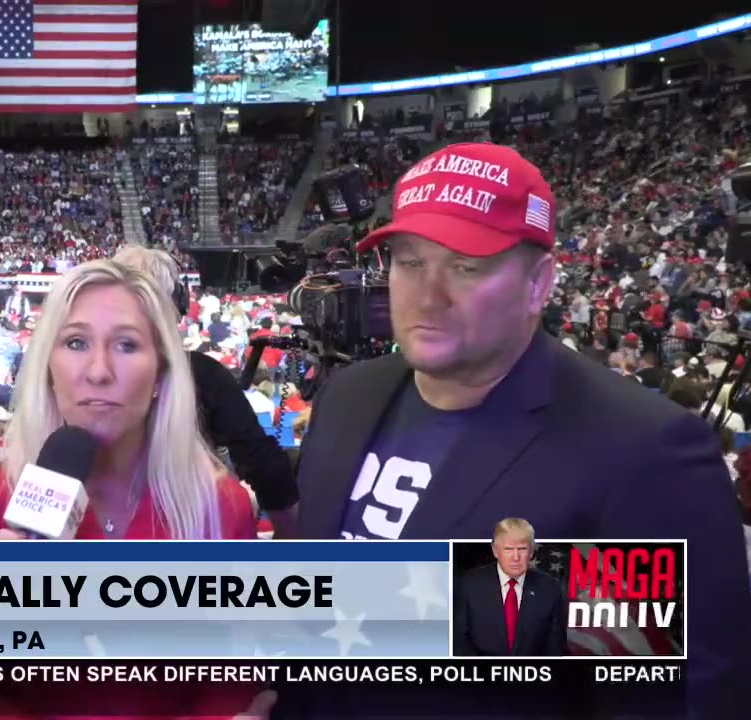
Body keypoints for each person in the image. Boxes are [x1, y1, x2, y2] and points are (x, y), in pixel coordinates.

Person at [286, 142, 751, 718]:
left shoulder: (643, 452)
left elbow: (681, 697)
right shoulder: (348, 395)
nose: (428, 295)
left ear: (539, 283)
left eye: (466, 266)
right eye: (410, 262)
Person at [0, 260, 272, 718]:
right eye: (76, 342)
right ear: (47, 369)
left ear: (161, 374)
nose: (98, 372)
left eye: (126, 345)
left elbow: (230, 673)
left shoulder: (220, 507)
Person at [113, 245, 298, 537]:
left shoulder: (83, 373)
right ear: (176, 303)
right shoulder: (202, 374)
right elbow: (263, 465)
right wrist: (295, 543)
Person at [453, 518, 566, 656]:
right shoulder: (468, 585)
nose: (516, 557)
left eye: (522, 549)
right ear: (495, 550)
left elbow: (555, 648)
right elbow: (458, 643)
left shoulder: (549, 588)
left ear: (531, 551)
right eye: (508, 549)